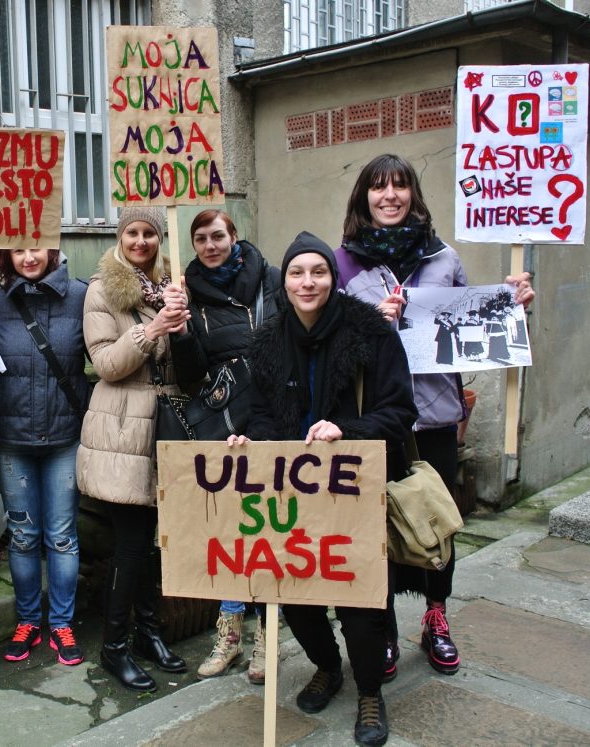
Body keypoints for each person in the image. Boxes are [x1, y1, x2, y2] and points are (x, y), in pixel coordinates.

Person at [334, 154, 535, 680]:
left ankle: (435, 618)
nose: (390, 196)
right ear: (364, 199)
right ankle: (380, 631)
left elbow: (470, 327)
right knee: (375, 527)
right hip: (376, 422)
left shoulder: (444, 259)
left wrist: (511, 306)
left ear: (413, 195)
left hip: (437, 416)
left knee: (439, 526)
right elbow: (329, 345)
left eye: (400, 186)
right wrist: (368, 325)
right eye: (379, 188)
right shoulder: (343, 264)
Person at [230, 232, 418, 747]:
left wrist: (345, 430)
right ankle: (327, 668)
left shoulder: (371, 335)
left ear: (333, 279)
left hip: (356, 490)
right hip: (295, 494)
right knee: (293, 597)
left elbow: (401, 412)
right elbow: (263, 415)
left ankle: (369, 692)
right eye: (297, 272)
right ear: (284, 281)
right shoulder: (268, 341)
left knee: (361, 604)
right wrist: (252, 442)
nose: (307, 282)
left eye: (318, 272)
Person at [76, 207, 190, 693]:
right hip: (122, 430)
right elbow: (105, 363)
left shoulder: (171, 285)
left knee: (150, 542)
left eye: (149, 233)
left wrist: (183, 328)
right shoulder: (102, 290)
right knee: (129, 543)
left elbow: (188, 366)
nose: (140, 241)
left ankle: (148, 631)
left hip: (165, 423)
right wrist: (152, 329)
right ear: (119, 238)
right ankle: (114, 647)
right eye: (132, 233)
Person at [167, 209, 283, 683]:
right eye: (201, 239)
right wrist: (180, 334)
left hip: (275, 418)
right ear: (193, 245)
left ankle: (266, 641)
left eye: (219, 236)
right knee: (232, 532)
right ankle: (230, 633)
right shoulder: (186, 292)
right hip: (225, 423)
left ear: (234, 236)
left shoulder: (271, 278)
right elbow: (192, 372)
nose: (211, 245)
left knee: (273, 531)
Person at [0, 246, 90, 666]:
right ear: (6, 254)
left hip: (65, 437)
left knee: (62, 536)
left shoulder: (81, 296)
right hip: (13, 439)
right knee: (24, 536)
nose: (28, 258)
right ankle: (28, 620)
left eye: (36, 248)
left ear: (51, 249)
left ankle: (62, 623)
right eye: (19, 250)